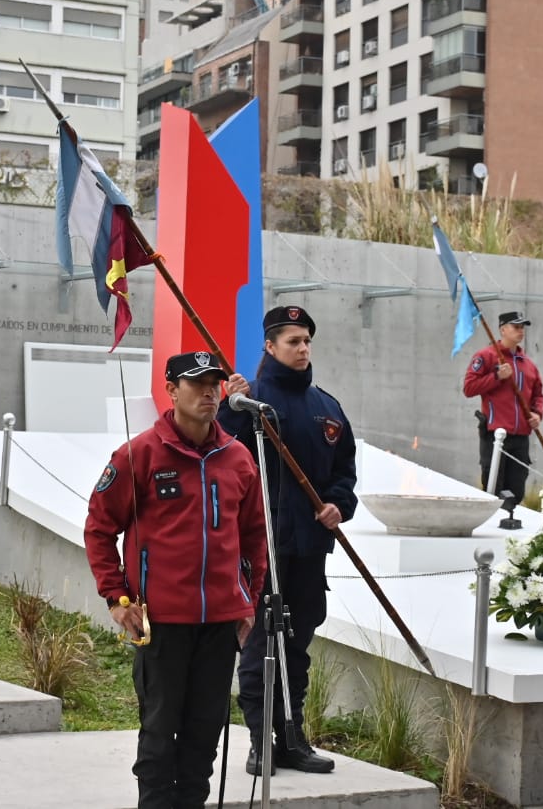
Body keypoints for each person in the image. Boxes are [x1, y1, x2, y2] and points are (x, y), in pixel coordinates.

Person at [85, 351, 267, 809]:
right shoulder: (138, 454)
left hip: (220, 624)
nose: (209, 393)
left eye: (214, 384)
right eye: (196, 384)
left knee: (204, 737)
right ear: (171, 390)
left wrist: (247, 601)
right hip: (162, 623)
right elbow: (100, 528)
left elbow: (254, 538)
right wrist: (116, 597)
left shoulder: (239, 458)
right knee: (159, 735)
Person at [218, 305, 356, 777]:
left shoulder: (327, 408)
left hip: (309, 550)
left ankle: (292, 739)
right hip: (262, 550)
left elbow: (344, 473)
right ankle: (261, 742)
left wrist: (338, 505)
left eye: (306, 341)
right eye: (293, 341)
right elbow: (219, 456)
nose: (302, 349)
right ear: (269, 346)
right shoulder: (248, 402)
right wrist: (231, 407)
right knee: (261, 644)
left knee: (296, 648)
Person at [463, 310, 543, 502]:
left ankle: (511, 519)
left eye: (522, 327)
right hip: (495, 436)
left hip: (521, 438)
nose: (521, 331)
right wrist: (496, 377)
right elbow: (469, 388)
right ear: (503, 330)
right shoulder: (486, 356)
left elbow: (538, 395)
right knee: (493, 488)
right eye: (516, 327)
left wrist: (537, 414)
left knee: (516, 491)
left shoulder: (529, 365)